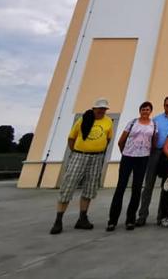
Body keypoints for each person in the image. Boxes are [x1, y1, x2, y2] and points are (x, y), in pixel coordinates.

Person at [50, 98, 113, 235]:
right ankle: (58, 219)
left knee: (89, 188)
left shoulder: (108, 121)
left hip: (97, 157)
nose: (102, 111)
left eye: (104, 109)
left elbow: (108, 139)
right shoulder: (83, 120)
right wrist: (77, 151)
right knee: (68, 186)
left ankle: (82, 218)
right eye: (100, 108)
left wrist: (98, 149)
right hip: (80, 155)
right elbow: (71, 138)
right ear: (94, 109)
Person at [107, 101, 156, 231]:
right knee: (120, 188)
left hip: (143, 158)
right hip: (128, 157)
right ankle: (112, 220)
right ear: (140, 110)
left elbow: (153, 143)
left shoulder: (153, 124)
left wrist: (146, 153)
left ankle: (130, 219)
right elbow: (121, 141)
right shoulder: (132, 122)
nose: (145, 111)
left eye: (148, 109)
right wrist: (125, 152)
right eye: (143, 109)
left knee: (137, 189)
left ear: (150, 111)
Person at [136, 96, 168, 226]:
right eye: (167, 105)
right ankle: (142, 215)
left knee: (165, 187)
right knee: (148, 185)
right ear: (164, 105)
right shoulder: (156, 119)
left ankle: (162, 216)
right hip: (155, 152)